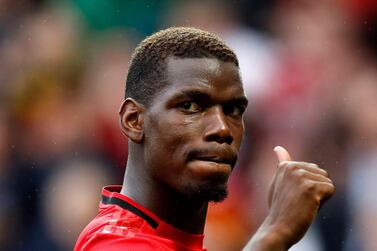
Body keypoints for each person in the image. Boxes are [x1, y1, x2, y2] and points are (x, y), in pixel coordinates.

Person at [74, 27, 335, 251]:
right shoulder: (112, 241)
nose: (222, 128)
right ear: (134, 120)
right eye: (190, 106)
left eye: (234, 110)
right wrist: (277, 230)